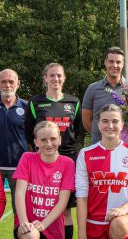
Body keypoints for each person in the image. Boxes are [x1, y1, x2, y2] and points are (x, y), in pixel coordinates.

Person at [24, 63, 82, 238]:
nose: (55, 79)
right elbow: (29, 132)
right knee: (43, 206)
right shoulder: (35, 102)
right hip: (44, 160)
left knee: (65, 210)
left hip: (67, 160)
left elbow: (77, 130)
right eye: (52, 75)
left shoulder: (74, 102)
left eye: (59, 75)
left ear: (64, 78)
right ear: (45, 78)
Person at [76, 104, 128, 239]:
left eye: (115, 121)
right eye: (105, 121)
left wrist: (122, 210)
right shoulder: (85, 154)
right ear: (98, 124)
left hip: (125, 218)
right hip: (94, 223)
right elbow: (82, 197)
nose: (110, 126)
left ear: (122, 124)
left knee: (119, 224)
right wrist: (81, 233)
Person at [13, 121, 75, 239]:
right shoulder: (27, 158)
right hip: (27, 223)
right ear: (36, 142)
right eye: (43, 140)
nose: (49, 143)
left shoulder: (67, 163)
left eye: (53, 139)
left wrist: (43, 224)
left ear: (60, 140)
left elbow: (63, 202)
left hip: (52, 226)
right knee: (31, 235)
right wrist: (25, 223)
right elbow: (19, 193)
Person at [0, 68, 29, 216]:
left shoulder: (27, 107)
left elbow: (32, 136)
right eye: (3, 81)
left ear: (18, 84)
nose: (7, 85)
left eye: (11, 81)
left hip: (19, 168)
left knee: (20, 213)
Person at [82, 47, 128, 144]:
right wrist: (101, 133)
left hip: (126, 146)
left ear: (123, 65)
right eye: (111, 61)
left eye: (118, 62)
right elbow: (86, 121)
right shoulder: (92, 89)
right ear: (105, 63)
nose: (114, 65)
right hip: (99, 145)